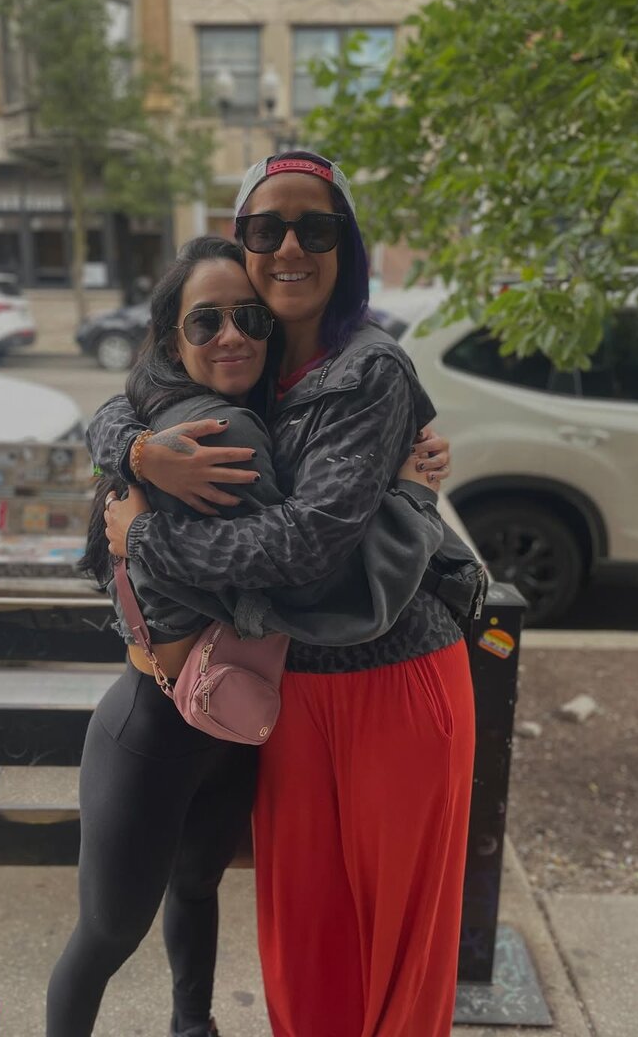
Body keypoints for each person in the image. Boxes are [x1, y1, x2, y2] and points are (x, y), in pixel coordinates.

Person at [96, 152, 477, 1037]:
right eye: (267, 229)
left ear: (349, 247)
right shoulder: (255, 356)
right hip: (296, 689)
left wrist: (145, 538)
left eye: (318, 227)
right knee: (306, 937)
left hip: (393, 684)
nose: (291, 247)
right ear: (243, 243)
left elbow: (302, 549)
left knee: (394, 946)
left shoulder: (369, 369)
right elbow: (126, 399)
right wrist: (137, 453)